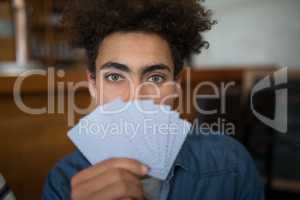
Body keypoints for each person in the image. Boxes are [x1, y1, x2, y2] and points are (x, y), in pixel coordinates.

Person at [42, 0, 265, 199]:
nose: (136, 97)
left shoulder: (231, 164)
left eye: (156, 77)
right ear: (92, 85)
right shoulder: (64, 182)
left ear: (176, 85)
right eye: (115, 76)